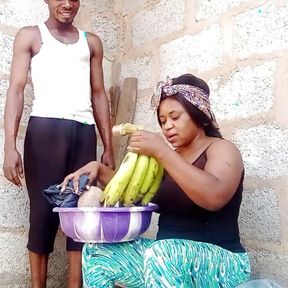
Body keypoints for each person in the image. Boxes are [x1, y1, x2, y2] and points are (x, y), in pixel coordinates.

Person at [62, 73, 251, 287]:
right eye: (162, 121)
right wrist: (98, 169)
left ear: (200, 114)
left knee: (163, 252)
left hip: (224, 263)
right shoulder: (167, 159)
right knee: (97, 252)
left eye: (175, 117)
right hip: (163, 260)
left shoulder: (222, 149)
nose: (167, 126)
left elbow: (214, 196)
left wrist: (163, 152)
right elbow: (137, 195)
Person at [3, 0, 115, 287]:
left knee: (82, 214)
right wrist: (9, 146)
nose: (67, 4)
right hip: (45, 134)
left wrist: (108, 148)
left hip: (83, 133)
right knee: (42, 216)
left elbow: (99, 94)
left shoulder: (92, 43)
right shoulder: (30, 36)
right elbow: (16, 91)